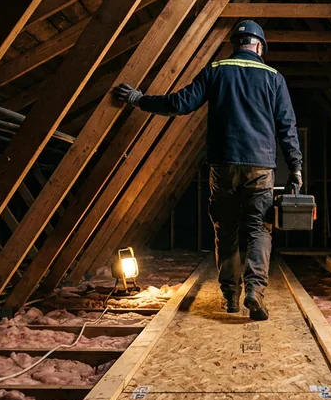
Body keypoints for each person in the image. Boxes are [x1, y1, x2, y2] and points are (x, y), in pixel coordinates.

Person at [112, 20, 302, 321]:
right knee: (258, 229)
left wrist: (139, 99)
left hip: (223, 164)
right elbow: (287, 127)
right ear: (259, 47)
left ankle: (231, 297)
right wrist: (296, 168)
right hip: (260, 166)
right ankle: (255, 290)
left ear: (235, 44)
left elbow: (179, 103)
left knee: (226, 230)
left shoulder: (216, 70)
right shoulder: (274, 77)